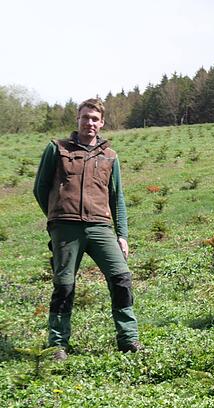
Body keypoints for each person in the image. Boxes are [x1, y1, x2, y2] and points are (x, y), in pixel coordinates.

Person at [33, 98, 142, 361]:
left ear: (102, 123)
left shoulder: (110, 156)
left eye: (95, 119)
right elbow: (40, 188)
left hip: (100, 227)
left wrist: (122, 234)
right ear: (77, 119)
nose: (89, 123)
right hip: (66, 228)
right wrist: (56, 220)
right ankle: (57, 344)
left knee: (121, 278)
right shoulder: (57, 149)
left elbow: (117, 198)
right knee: (64, 285)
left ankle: (128, 339)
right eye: (85, 117)